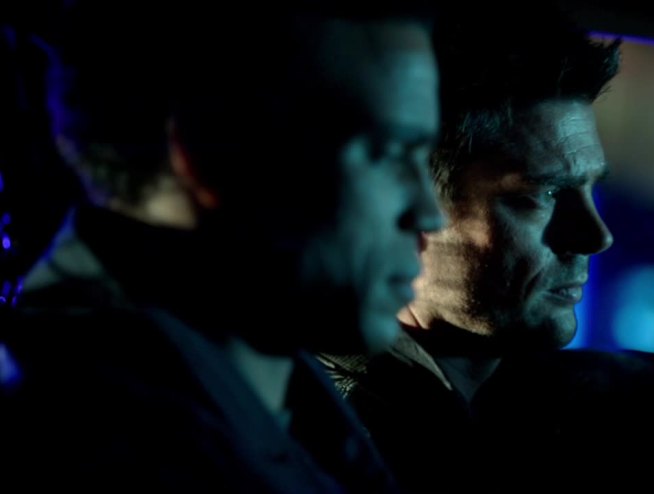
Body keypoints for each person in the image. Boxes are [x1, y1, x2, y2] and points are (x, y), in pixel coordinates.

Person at [320, 4, 654, 492]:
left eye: (592, 189)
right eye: (541, 195)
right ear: (411, 208)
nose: (595, 235)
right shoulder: (328, 435)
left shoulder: (562, 395)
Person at [1, 1, 443, 491]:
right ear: (210, 149)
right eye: (389, 154)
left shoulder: (273, 393)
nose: (430, 215)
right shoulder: (81, 440)